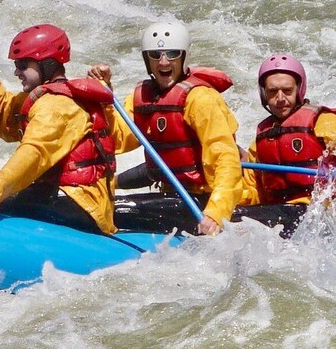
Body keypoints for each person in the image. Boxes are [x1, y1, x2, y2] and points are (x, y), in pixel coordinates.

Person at [0, 24, 120, 235]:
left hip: (80, 202)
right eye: (17, 64)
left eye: (23, 65)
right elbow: (3, 108)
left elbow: (35, 153)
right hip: (66, 196)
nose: (17, 71)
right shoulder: (42, 98)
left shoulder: (56, 106)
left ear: (49, 64)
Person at [88, 21, 243, 235]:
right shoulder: (142, 97)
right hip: (172, 196)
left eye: (171, 54)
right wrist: (104, 96)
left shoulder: (202, 99)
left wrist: (216, 212)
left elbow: (226, 159)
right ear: (146, 60)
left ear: (183, 57)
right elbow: (118, 139)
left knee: (104, 210)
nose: (163, 62)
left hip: (199, 201)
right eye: (155, 55)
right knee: (99, 203)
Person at [240, 53, 336, 205]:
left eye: (287, 90)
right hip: (279, 214)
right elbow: (254, 191)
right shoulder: (261, 138)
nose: (280, 98)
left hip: (318, 212)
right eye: (272, 91)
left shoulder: (323, 122)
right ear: (264, 94)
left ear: (299, 90)